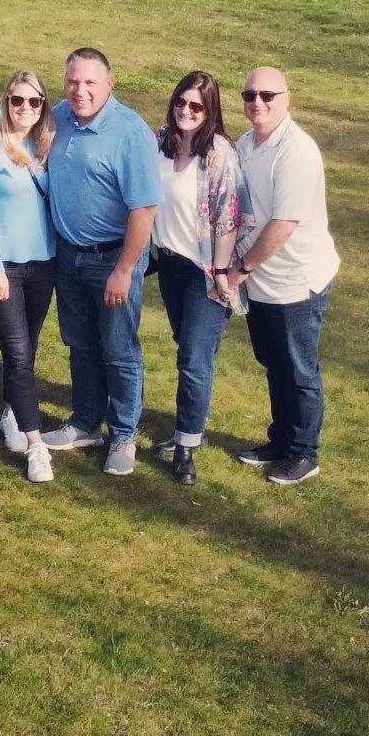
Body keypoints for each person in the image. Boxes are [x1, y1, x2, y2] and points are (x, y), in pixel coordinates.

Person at [42, 48, 160, 476]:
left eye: (90, 82)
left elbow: (144, 210)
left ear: (110, 84)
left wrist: (124, 270)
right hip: (69, 255)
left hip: (112, 258)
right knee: (80, 342)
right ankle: (86, 422)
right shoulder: (58, 117)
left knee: (119, 349)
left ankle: (124, 435)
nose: (81, 90)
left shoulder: (130, 133)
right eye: (73, 81)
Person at [226, 67, 340, 486]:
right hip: (262, 280)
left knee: (299, 369)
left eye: (268, 95)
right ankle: (281, 440)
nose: (258, 102)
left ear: (287, 99)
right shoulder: (246, 143)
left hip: (296, 280)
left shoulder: (296, 152)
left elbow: (283, 225)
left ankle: (304, 452)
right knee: (273, 363)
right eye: (250, 94)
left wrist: (239, 270)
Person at [149, 71, 247, 487]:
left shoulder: (219, 154)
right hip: (168, 263)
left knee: (193, 358)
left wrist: (221, 275)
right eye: (180, 103)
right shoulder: (159, 141)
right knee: (186, 348)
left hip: (203, 271)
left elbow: (228, 218)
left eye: (196, 106)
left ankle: (187, 445)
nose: (186, 112)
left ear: (210, 111)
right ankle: (190, 428)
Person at [0, 72, 58, 484]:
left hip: (43, 266)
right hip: (2, 269)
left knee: (28, 348)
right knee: (18, 353)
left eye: (33, 102)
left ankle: (10, 414)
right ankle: (37, 447)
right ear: (6, 103)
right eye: (17, 101)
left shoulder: (48, 145)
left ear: (43, 106)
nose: (24, 109)